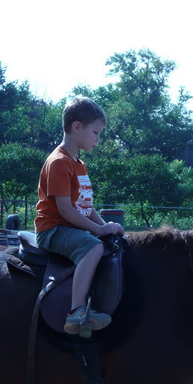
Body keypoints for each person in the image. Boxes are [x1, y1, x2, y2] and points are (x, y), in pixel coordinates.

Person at [35, 95, 124, 336]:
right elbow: (66, 210)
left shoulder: (79, 164)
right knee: (93, 247)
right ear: (77, 127)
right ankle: (76, 311)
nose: (98, 139)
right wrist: (98, 231)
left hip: (71, 227)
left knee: (110, 242)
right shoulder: (59, 162)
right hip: (53, 229)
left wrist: (106, 227)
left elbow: (85, 207)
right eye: (95, 132)